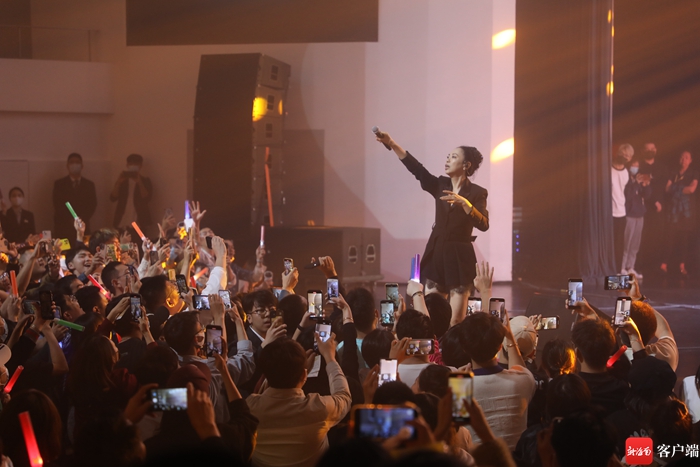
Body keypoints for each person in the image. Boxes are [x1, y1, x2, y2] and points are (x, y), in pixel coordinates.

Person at [375, 131, 489, 323]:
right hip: (437, 253)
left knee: (455, 320)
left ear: (466, 165)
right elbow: (417, 170)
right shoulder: (440, 184)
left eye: (454, 157)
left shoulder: (478, 193)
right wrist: (392, 143)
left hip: (459, 258)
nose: (448, 159)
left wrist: (465, 204)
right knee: (429, 317)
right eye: (448, 156)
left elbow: (484, 224)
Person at [247, 337, 351, 467]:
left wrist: (296, 371)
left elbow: (270, 381)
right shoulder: (319, 408)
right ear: (304, 375)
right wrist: (330, 358)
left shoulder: (250, 407)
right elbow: (344, 396)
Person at [460, 312, 536, 449]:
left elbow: (457, 437)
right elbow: (519, 368)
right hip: (514, 459)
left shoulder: (458, 387)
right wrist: (510, 337)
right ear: (500, 346)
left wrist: (458, 382)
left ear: (464, 349)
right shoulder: (524, 381)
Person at [661, 150, 698, 276]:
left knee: (683, 239)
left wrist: (676, 188)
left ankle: (682, 265)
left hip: (686, 212)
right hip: (673, 211)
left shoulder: (694, 173)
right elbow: (667, 188)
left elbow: (691, 189)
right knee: (669, 237)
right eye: (682, 157)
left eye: (686, 157)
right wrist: (682, 188)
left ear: (690, 160)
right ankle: (663, 265)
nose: (683, 159)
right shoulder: (674, 173)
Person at [638, 143, 667, 275]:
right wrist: (654, 201)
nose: (650, 151)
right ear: (643, 151)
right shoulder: (639, 167)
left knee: (657, 237)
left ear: (656, 150)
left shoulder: (661, 167)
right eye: (647, 149)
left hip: (659, 209)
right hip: (644, 208)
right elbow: (642, 186)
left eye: (652, 148)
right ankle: (640, 266)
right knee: (642, 237)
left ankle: (655, 266)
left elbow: (664, 186)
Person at [52, 153, 97, 239]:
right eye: (72, 162)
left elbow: (92, 204)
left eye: (77, 162)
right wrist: (70, 219)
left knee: (83, 246)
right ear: (67, 166)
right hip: (63, 227)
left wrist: (82, 218)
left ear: (82, 166)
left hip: (83, 226)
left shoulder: (89, 185)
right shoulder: (59, 184)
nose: (74, 165)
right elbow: (57, 204)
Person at [621, 157, 651, 277]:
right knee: (626, 243)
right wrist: (635, 184)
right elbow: (627, 195)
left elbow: (647, 195)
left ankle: (630, 267)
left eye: (637, 166)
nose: (635, 168)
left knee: (635, 244)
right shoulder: (627, 179)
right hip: (629, 215)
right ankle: (622, 267)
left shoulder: (639, 178)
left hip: (639, 215)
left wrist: (646, 185)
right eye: (633, 165)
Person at [110, 153, 152, 232]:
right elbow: (113, 198)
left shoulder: (145, 181)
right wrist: (118, 182)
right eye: (131, 163)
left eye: (136, 164)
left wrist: (139, 182)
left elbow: (147, 198)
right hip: (122, 220)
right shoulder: (122, 181)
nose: (133, 166)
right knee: (122, 239)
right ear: (127, 165)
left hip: (139, 221)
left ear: (140, 166)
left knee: (140, 239)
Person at [612, 144, 634, 272]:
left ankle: (617, 271)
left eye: (628, 156)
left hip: (620, 212)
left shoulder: (626, 173)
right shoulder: (608, 170)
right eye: (623, 154)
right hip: (608, 213)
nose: (624, 157)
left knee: (619, 244)